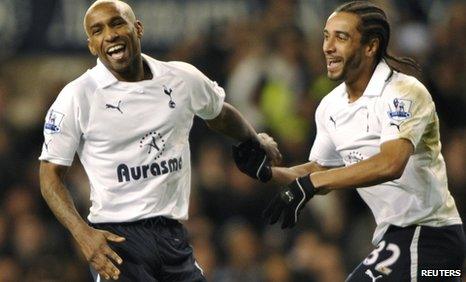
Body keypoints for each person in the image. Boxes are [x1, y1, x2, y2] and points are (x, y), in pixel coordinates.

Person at [38, 1, 281, 281]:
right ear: (92, 45)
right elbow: (49, 176)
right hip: (117, 241)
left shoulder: (180, 77)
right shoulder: (77, 96)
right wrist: (82, 234)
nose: (110, 35)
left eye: (117, 23)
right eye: (98, 30)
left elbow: (218, 113)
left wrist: (254, 137)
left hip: (172, 236)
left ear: (137, 28)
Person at [233, 1, 465, 281]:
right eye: (326, 36)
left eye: (341, 37)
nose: (327, 47)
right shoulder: (330, 106)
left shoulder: (403, 92)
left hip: (430, 237)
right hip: (396, 239)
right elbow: (319, 172)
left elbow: (391, 163)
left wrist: (313, 183)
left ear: (371, 46)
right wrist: (269, 174)